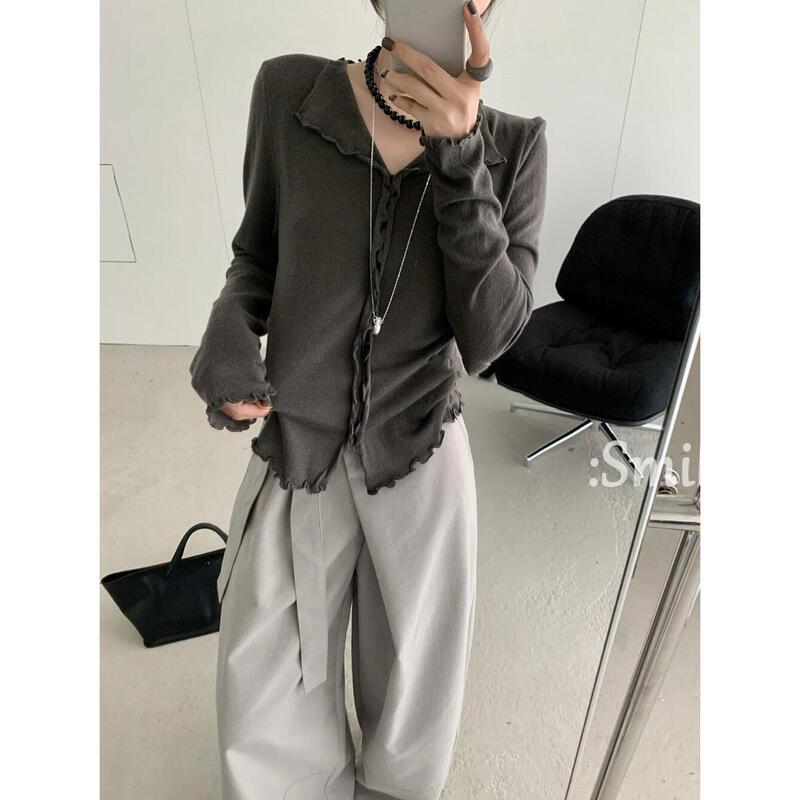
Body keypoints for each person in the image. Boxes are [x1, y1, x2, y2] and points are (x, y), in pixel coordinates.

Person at [189, 1, 548, 797]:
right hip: (298, 445)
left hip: (421, 447)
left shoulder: (514, 146)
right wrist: (227, 337)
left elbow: (492, 338)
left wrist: (460, 155)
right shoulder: (290, 95)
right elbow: (255, 261)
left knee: (415, 686)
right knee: (263, 683)